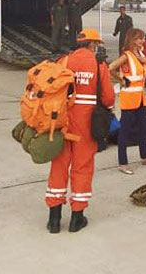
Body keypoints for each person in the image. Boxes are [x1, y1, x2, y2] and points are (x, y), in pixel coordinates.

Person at [45, 29, 115, 234]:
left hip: (62, 123)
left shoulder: (63, 61)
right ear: (92, 44)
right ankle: (77, 218)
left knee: (59, 166)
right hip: (86, 125)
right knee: (82, 167)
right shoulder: (98, 64)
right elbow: (108, 99)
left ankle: (54, 219)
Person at [109, 28, 146, 174]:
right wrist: (121, 80)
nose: (143, 41)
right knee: (125, 131)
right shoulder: (126, 56)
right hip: (129, 98)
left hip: (140, 97)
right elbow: (111, 68)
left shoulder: (141, 54)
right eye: (140, 38)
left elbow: (145, 75)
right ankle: (123, 162)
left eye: (143, 38)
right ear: (132, 40)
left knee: (143, 128)